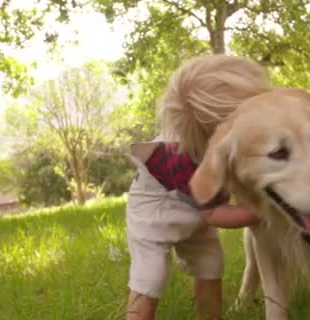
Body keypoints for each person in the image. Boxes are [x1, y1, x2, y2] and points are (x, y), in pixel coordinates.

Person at [125, 54, 269, 320]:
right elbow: (215, 214)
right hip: (155, 213)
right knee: (151, 276)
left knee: (210, 264)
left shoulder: (227, 149)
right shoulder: (180, 158)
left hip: (196, 211)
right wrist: (262, 211)